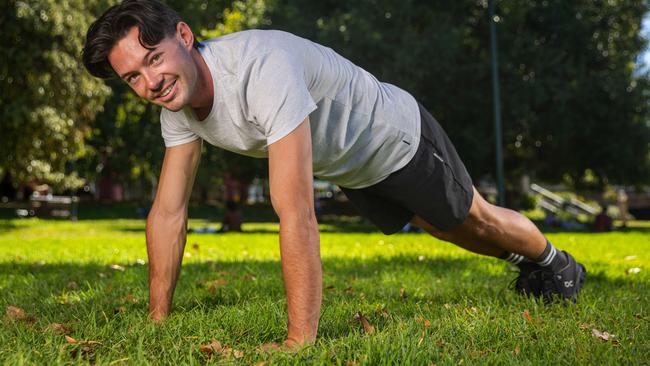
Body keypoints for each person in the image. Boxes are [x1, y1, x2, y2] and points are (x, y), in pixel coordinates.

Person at [82, 0, 586, 349]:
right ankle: (530, 263)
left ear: (184, 36)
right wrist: (158, 318)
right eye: (133, 77)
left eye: (154, 59)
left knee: (474, 216)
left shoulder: (261, 69)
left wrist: (299, 340)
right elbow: (169, 212)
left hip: (396, 138)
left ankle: (555, 262)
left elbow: (296, 210)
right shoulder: (177, 108)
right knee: (443, 227)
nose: (150, 83)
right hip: (353, 168)